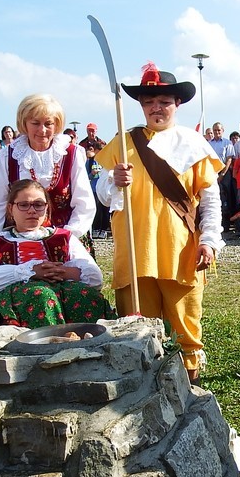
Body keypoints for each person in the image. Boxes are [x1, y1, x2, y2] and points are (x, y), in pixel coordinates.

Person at [96, 63, 223, 382]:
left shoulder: (193, 144)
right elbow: (104, 195)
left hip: (179, 251)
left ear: (177, 104)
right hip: (135, 251)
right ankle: (143, 391)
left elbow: (210, 200)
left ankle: (190, 389)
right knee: (136, 327)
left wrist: (209, 240)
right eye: (149, 102)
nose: (156, 108)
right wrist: (114, 181)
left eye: (164, 101)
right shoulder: (124, 142)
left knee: (185, 327)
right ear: (141, 105)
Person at [0, 180, 113, 327]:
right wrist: (29, 271)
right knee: (41, 294)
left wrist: (59, 272)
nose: (32, 211)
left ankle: (88, 338)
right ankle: (49, 340)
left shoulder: (64, 238)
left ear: (46, 208)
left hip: (64, 292)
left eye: (38, 205)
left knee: (83, 294)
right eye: (23, 205)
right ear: (11, 209)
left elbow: (95, 279)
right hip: (24, 299)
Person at [0, 94, 95, 243]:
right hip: (20, 241)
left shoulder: (71, 154)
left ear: (56, 125)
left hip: (66, 239)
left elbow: (84, 203)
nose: (42, 130)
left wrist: (69, 236)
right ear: (24, 124)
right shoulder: (9, 155)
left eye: (48, 123)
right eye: (35, 123)